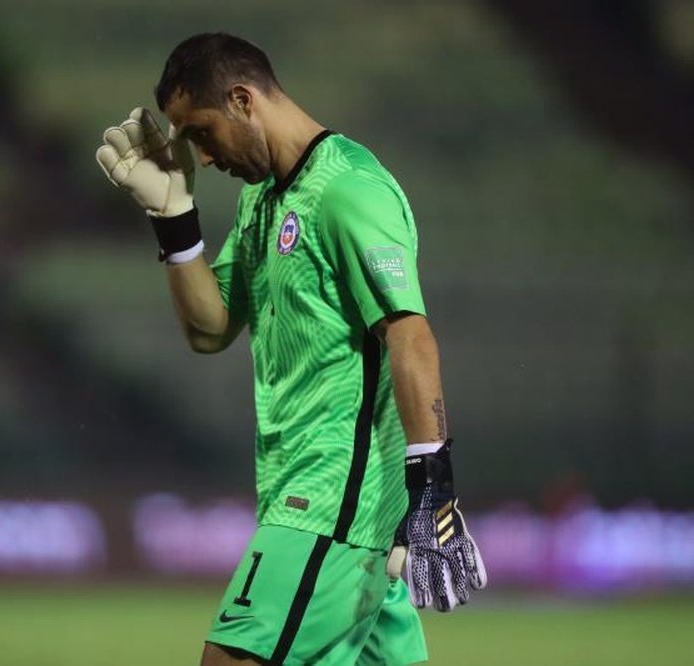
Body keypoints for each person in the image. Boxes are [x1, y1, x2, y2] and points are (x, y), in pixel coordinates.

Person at [96, 33, 486, 666]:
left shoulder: (349, 189)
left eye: (200, 131)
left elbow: (410, 335)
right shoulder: (263, 200)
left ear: (243, 100)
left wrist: (434, 495)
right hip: (323, 513)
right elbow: (210, 327)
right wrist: (174, 217)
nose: (200, 153)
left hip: (329, 505)